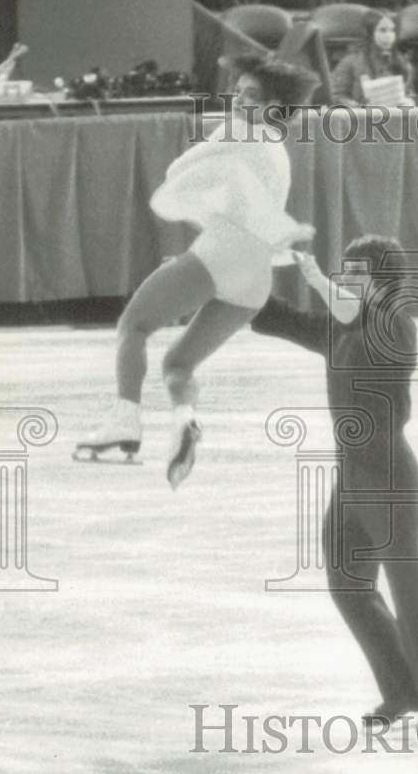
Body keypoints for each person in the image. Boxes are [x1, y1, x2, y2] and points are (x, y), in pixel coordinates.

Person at [75, 54, 319, 487]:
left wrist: (199, 262)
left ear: (275, 106)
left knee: (133, 325)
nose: (240, 101)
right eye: (238, 92)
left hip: (223, 254)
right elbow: (241, 207)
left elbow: (176, 175)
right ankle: (184, 418)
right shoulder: (277, 150)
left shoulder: (240, 133)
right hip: (254, 277)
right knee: (178, 364)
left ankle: (125, 421)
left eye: (252, 96)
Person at [251, 237, 418, 736]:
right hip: (350, 481)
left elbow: (364, 329)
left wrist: (318, 281)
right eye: (341, 271)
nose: (344, 278)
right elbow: (279, 318)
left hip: (389, 476)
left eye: (355, 272)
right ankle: (402, 690)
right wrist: (228, 280)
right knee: (348, 585)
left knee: (409, 594)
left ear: (382, 280)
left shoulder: (396, 325)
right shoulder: (340, 327)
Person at [331, 10, 414, 107]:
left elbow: (410, 94)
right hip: (361, 118)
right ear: (370, 33)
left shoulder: (402, 62)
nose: (388, 36)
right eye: (382, 30)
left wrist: (410, 101)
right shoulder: (350, 62)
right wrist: (360, 107)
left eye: (392, 30)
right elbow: (337, 97)